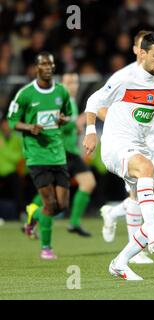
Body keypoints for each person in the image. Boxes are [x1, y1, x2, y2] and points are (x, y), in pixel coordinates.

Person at [83, 31, 154, 281]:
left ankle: (120, 262)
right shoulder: (124, 78)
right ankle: (151, 235)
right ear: (141, 53)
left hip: (140, 148)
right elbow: (93, 99)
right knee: (146, 168)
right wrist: (91, 132)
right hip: (116, 146)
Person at [7, 52, 72, 260]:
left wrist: (63, 119)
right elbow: (11, 120)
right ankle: (46, 248)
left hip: (58, 154)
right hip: (37, 156)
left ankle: (31, 217)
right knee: (50, 204)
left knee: (62, 206)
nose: (48, 67)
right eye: (43, 64)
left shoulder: (61, 91)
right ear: (36, 68)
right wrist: (29, 127)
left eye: (51, 64)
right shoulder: (25, 94)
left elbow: (68, 114)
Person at [26, 73, 96, 237]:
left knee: (88, 182)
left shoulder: (71, 101)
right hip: (60, 152)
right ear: (62, 84)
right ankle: (31, 217)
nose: (72, 85)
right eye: (69, 82)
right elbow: (53, 121)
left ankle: (74, 223)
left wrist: (76, 126)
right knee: (51, 194)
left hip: (71, 152)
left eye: (75, 82)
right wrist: (75, 123)